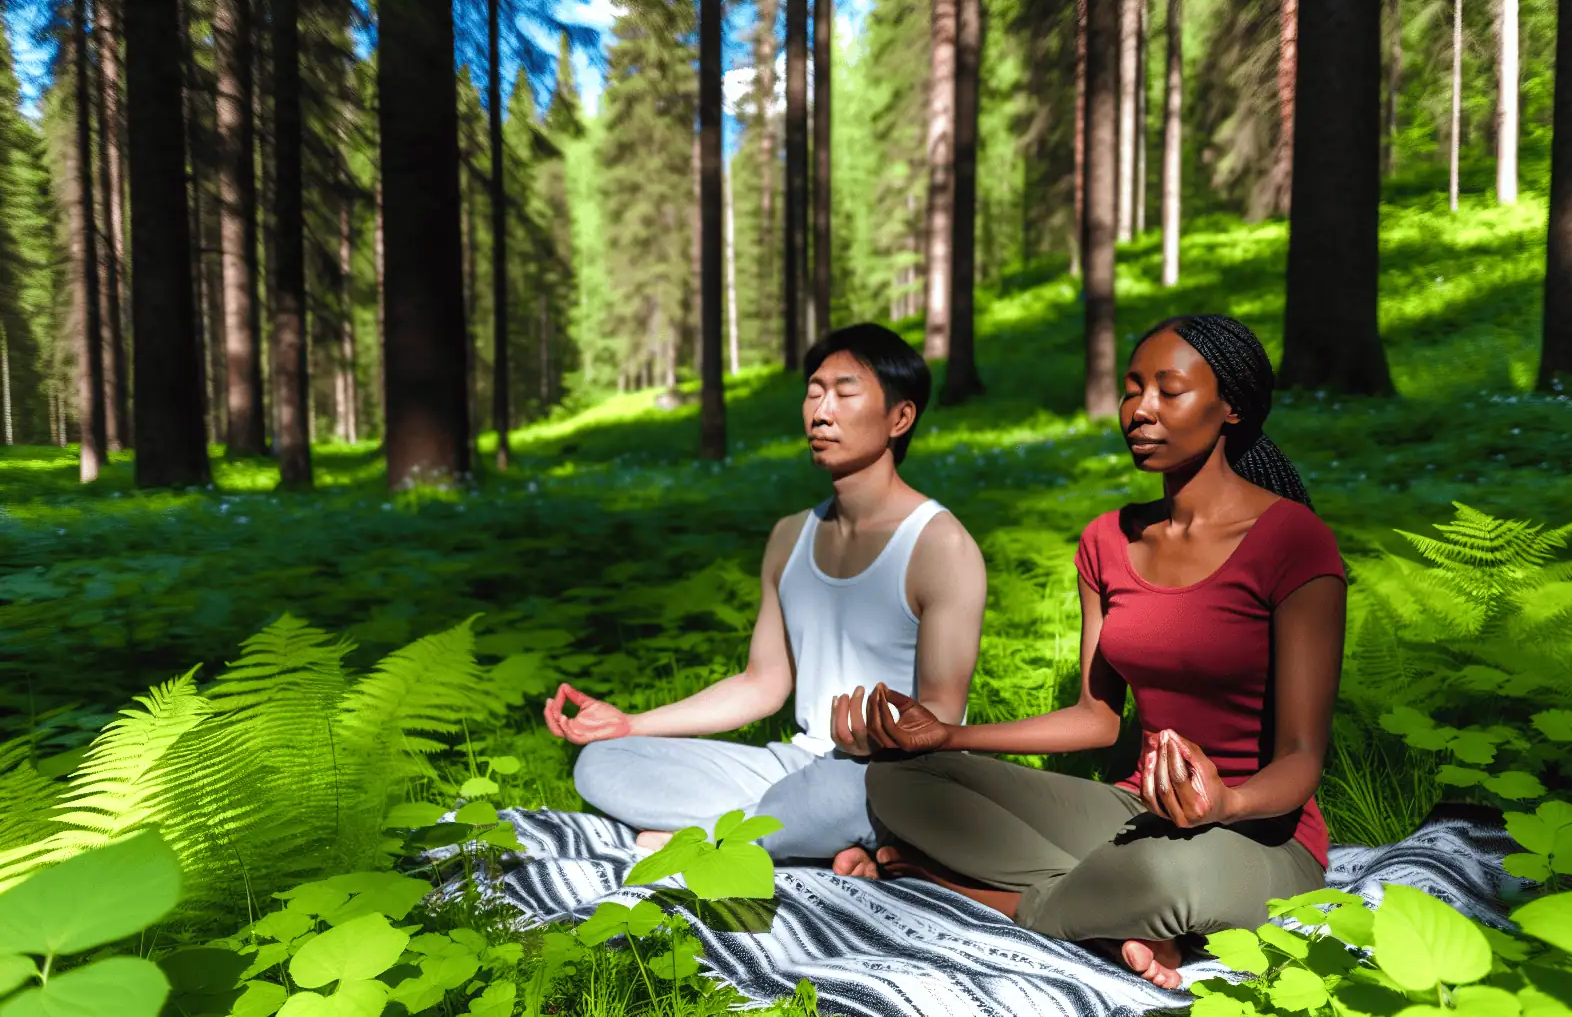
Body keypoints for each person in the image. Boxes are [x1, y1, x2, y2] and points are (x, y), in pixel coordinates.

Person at [855, 315, 1347, 989]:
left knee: (1165, 872)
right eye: (1131, 389)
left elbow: (1301, 761)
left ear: (1231, 406)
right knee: (897, 778)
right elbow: (1097, 717)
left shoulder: (1295, 541)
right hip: (1134, 814)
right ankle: (1118, 918)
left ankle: (970, 891)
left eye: (1167, 392)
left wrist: (1223, 804)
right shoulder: (1107, 540)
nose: (1139, 411)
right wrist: (946, 733)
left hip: (1262, 836)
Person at [543, 323, 987, 873]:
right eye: (814, 391)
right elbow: (762, 684)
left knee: (836, 797)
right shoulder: (789, 537)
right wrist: (631, 723)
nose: (820, 411)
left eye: (845, 393)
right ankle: (796, 840)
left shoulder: (940, 543)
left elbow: (941, 718)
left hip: (888, 774)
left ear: (900, 418)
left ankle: (709, 842)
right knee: (602, 763)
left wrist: (872, 742)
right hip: (795, 766)